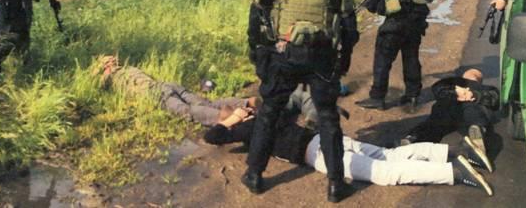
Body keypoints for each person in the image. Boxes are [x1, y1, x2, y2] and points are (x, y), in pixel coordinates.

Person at [244, 0, 359, 202]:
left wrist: (256, 53)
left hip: (281, 55)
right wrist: (343, 60)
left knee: (269, 113)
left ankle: (254, 175)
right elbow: (349, 27)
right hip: (321, 58)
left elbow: (255, 17)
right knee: (328, 118)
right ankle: (335, 185)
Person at [203, 96, 494, 196]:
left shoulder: (250, 127)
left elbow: (212, 137)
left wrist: (233, 120)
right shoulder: (271, 114)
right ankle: (454, 153)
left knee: (384, 173)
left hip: (317, 153)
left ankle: (453, 171)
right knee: (387, 155)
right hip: (327, 140)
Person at [96, 55, 251, 127]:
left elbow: (98, 82)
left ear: (106, 67)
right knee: (205, 102)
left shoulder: (112, 76)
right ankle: (244, 103)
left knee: (186, 110)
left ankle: (231, 117)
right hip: (166, 85)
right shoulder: (129, 68)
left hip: (154, 92)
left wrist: (100, 70)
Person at [400, 68, 499, 174]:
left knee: (433, 125)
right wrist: (474, 95)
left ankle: (414, 137)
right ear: (479, 80)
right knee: (475, 117)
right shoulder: (485, 88)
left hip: (447, 106)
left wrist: (454, 92)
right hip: (468, 108)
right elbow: (495, 100)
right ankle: (477, 130)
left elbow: (437, 88)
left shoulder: (453, 81)